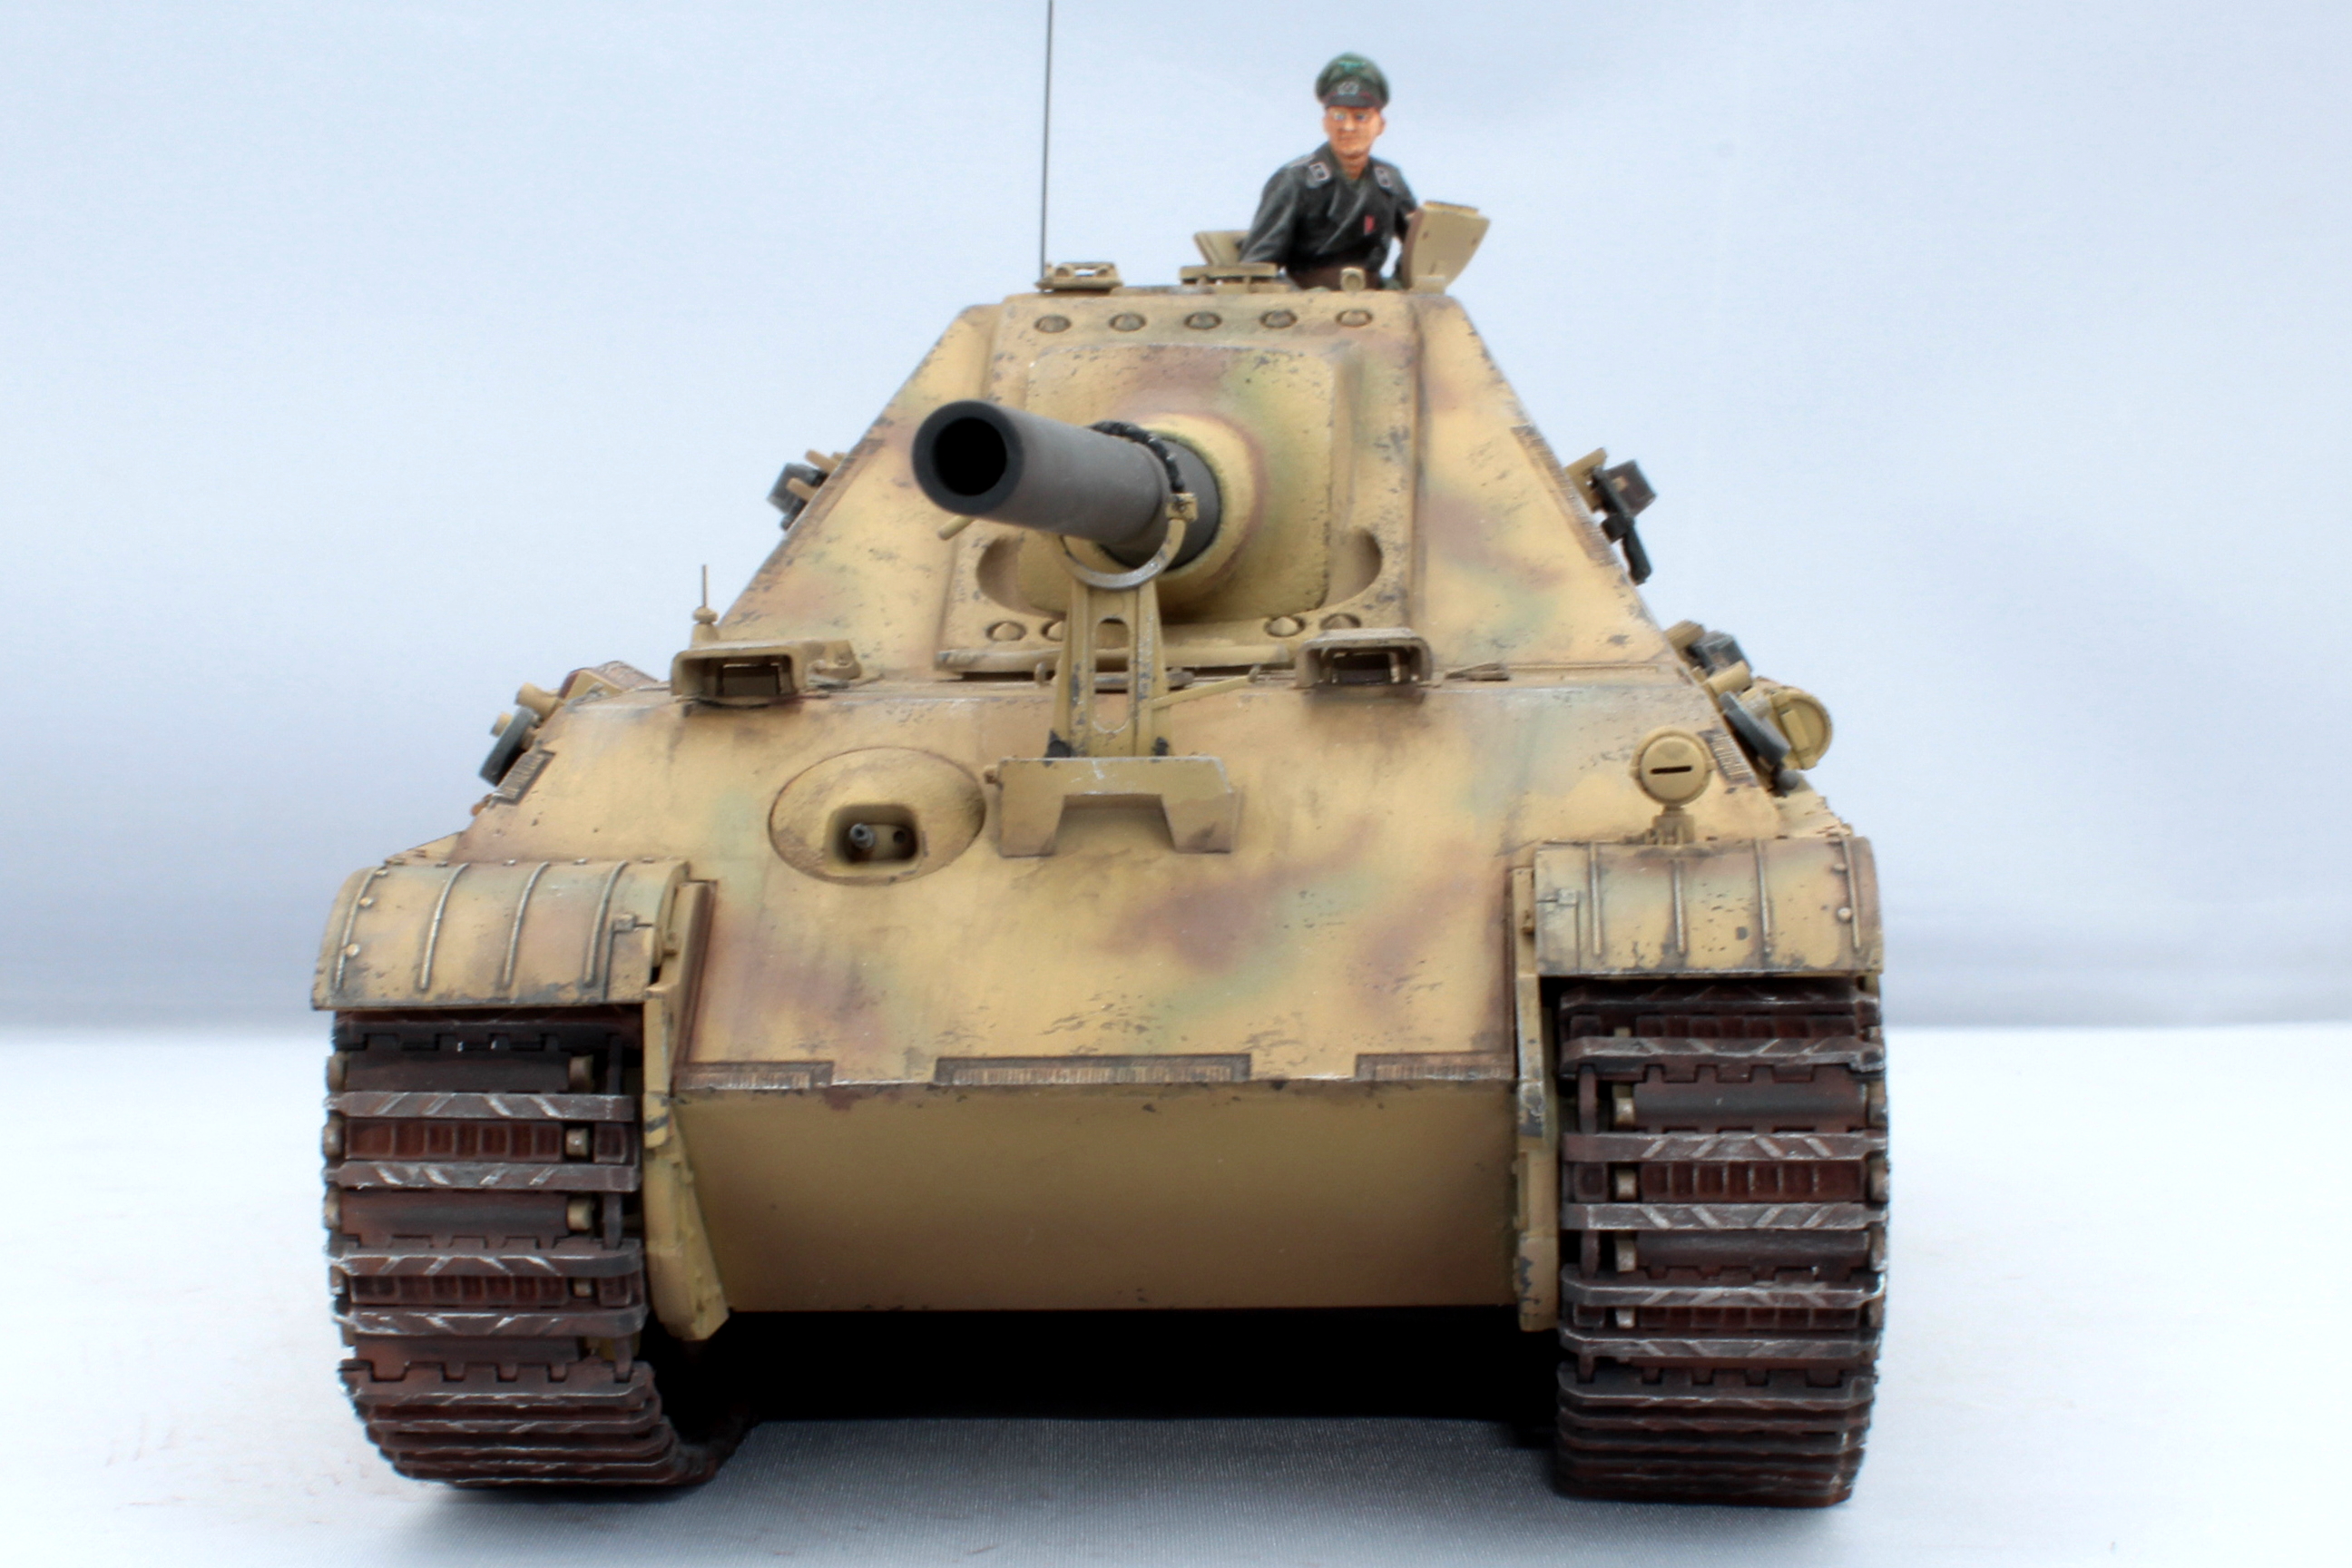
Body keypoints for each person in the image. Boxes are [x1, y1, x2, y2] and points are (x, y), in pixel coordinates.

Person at [1240, 54, 1417, 290]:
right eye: (1339, 116)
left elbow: (1422, 244)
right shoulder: (1295, 180)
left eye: (1361, 117)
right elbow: (1257, 267)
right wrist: (1299, 298)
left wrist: (1397, 284)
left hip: (1375, 301)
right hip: (1306, 300)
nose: (1348, 127)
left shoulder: (1390, 181)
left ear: (1380, 125)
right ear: (1325, 122)